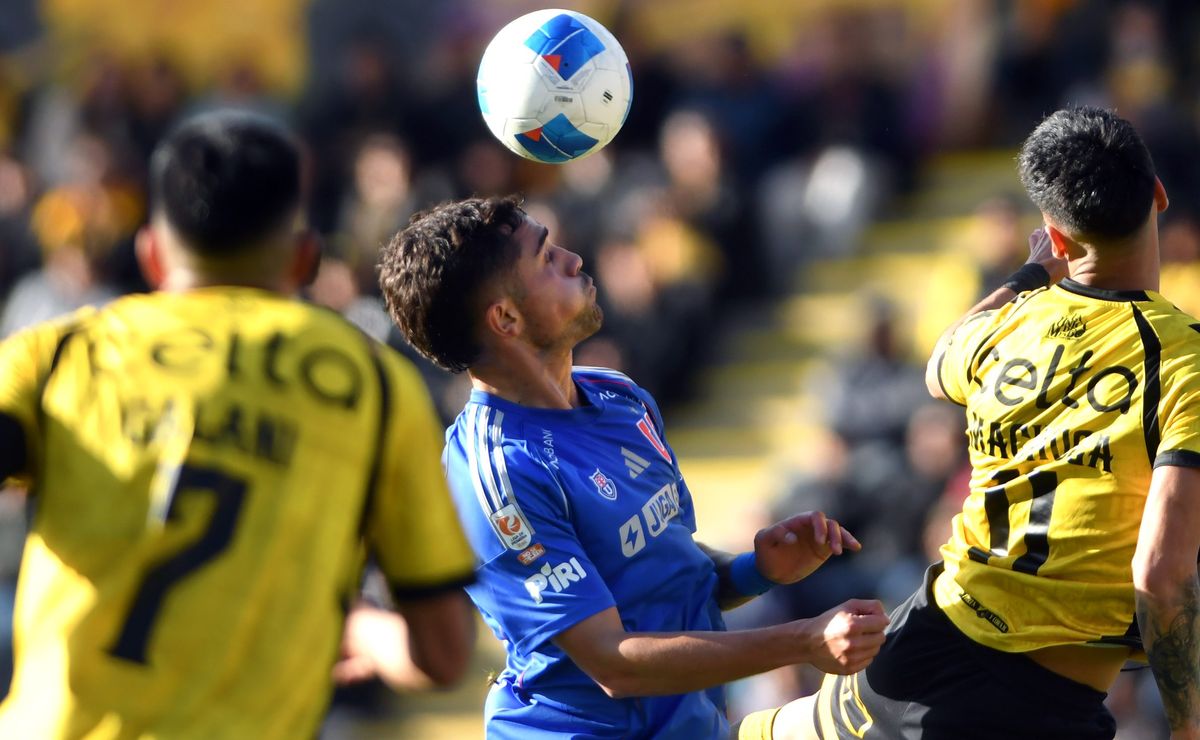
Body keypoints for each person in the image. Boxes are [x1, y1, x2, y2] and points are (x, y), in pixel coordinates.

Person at [0, 110, 477, 738]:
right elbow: (443, 654)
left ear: (149, 255)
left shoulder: (60, 354)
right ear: (305, 257)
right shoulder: (372, 384)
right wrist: (359, 626)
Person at [740, 106, 1200, 740]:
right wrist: (1187, 725)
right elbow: (1160, 573)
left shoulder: (1006, 326)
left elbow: (938, 364)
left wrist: (1033, 271)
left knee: (753, 730)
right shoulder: (1186, 359)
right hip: (1032, 708)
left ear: (1057, 237)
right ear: (1158, 194)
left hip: (918, 646)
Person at [378, 194, 890, 739]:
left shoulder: (619, 397)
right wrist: (804, 640)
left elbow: (662, 575)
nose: (574, 259)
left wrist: (755, 570)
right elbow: (613, 662)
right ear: (506, 317)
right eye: (547, 257)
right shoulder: (498, 473)